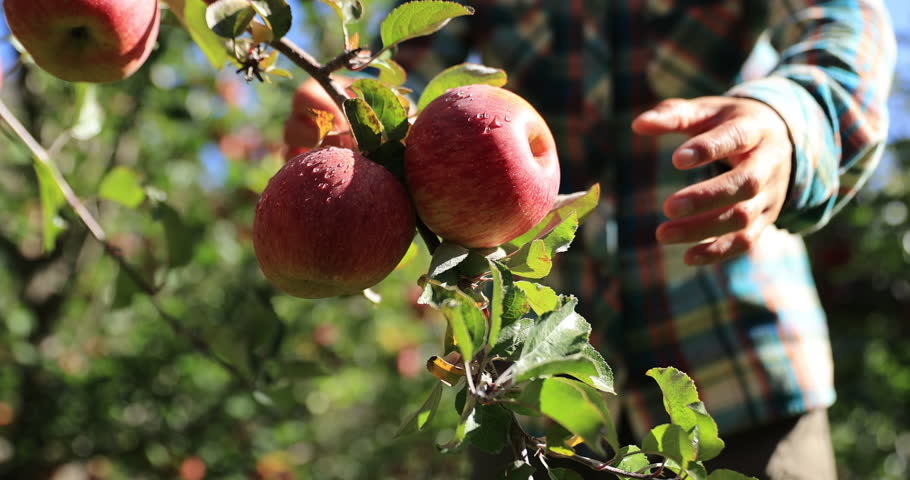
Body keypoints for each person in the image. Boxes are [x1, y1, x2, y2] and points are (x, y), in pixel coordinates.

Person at [294, 1, 896, 477]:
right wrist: (348, 106)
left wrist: (794, 120)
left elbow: (845, 22)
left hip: (741, 370)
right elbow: (403, 65)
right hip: (525, 396)